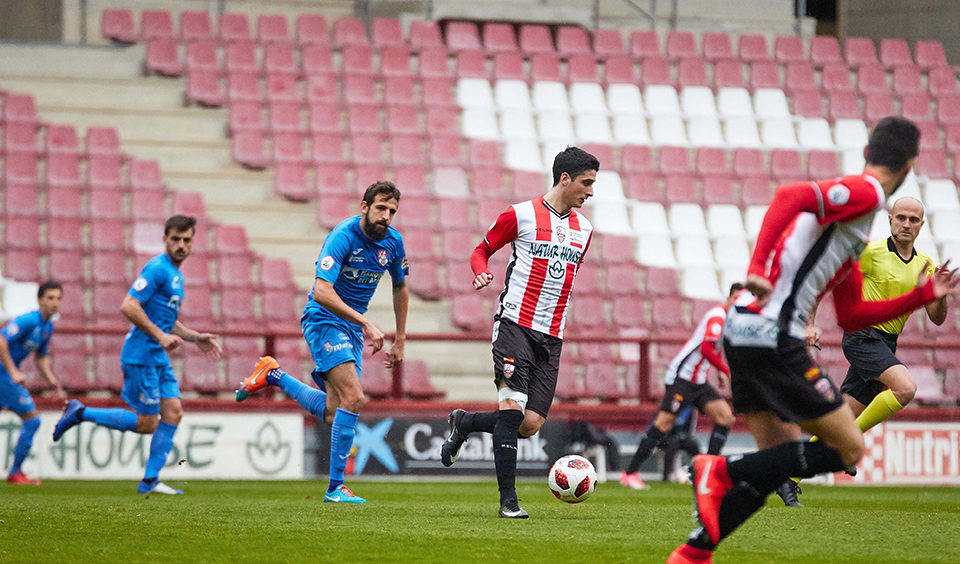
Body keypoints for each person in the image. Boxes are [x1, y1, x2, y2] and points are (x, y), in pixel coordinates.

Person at [667, 117, 960, 564]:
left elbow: (852, 314)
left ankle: (693, 552)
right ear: (911, 163)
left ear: (867, 149)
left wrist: (921, 296)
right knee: (848, 447)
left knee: (778, 463)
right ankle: (718, 469)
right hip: (771, 335)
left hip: (742, 330)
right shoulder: (865, 193)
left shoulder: (851, 233)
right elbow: (789, 196)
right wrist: (759, 269)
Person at [439, 146, 598, 518]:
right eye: (587, 183)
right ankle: (508, 503)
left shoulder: (585, 230)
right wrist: (480, 270)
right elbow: (482, 249)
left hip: (552, 336)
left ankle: (464, 422)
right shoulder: (520, 215)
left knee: (529, 425)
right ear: (565, 178)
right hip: (515, 324)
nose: (590, 191)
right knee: (511, 410)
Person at [236, 181, 408, 505]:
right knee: (354, 398)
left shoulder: (394, 243)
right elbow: (322, 291)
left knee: (333, 411)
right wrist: (366, 322)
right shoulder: (342, 237)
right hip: (324, 317)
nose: (386, 216)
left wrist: (400, 339)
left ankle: (272, 374)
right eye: (381, 208)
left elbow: (401, 287)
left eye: (392, 211)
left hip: (351, 326)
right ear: (364, 207)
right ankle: (335, 488)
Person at [778, 196, 949, 507]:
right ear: (890, 220)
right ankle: (847, 445)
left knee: (840, 418)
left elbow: (937, 318)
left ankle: (789, 478)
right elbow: (825, 280)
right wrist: (810, 323)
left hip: (885, 343)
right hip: (862, 337)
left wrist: (941, 293)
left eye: (913, 220)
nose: (906, 224)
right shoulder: (871, 253)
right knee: (905, 387)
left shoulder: (926, 264)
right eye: (901, 218)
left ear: (922, 225)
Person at [53, 215, 222, 495]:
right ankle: (81, 412)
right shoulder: (157, 268)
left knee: (174, 412)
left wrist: (194, 337)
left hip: (157, 356)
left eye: (186, 240)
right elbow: (129, 305)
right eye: (175, 239)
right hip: (141, 355)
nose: (181, 245)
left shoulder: (176, 275)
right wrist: (160, 336)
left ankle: (150, 481)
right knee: (147, 424)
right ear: (165, 239)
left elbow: (166, 321)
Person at [619, 283, 741, 490]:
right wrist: (725, 370)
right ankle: (630, 473)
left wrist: (718, 372)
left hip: (699, 382)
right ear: (729, 298)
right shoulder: (718, 315)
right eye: (737, 299)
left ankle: (708, 470)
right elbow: (706, 348)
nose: (739, 304)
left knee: (726, 417)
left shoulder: (728, 319)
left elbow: (715, 346)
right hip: (682, 379)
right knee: (663, 423)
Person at [1, 281, 65, 485]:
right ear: (40, 300)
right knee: (33, 419)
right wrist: (13, 371)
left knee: (32, 420)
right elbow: (1, 339)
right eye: (50, 298)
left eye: (58, 298)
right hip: (3, 374)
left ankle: (15, 472)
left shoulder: (47, 326)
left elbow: (41, 357)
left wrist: (52, 380)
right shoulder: (29, 320)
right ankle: (15, 473)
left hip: (6, 375)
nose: (55, 303)